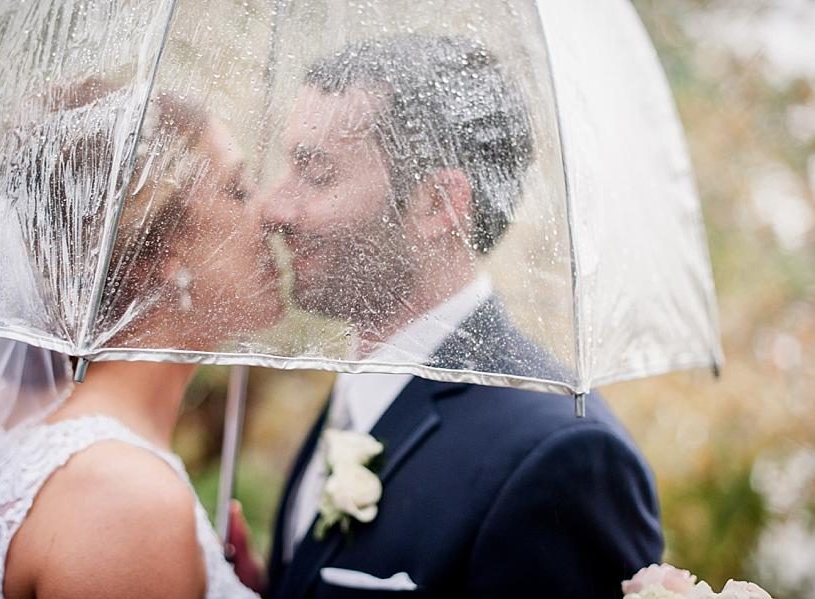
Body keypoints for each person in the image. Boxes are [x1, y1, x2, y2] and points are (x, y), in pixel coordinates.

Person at [233, 35, 664, 597]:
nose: (272, 207)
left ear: (437, 206)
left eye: (316, 175)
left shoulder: (561, 457)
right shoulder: (362, 388)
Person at [0, 84, 280, 598]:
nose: (269, 216)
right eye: (237, 190)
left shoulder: (50, 440)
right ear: (163, 253)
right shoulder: (124, 500)